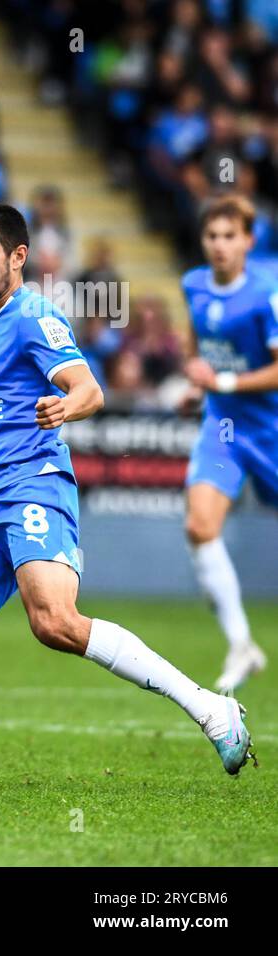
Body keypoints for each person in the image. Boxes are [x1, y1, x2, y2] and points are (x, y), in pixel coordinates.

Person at [0, 202, 254, 786]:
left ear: (18, 256)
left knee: (54, 622)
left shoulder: (34, 316)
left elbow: (90, 389)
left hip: (36, 487)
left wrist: (64, 405)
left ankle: (211, 709)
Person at [180, 194, 277, 692]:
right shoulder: (192, 285)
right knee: (199, 526)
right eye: (212, 237)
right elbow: (201, 354)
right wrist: (197, 388)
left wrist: (225, 383)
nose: (220, 246)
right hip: (224, 429)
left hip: (272, 429)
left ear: (248, 241)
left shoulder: (267, 294)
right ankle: (241, 644)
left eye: (229, 236)